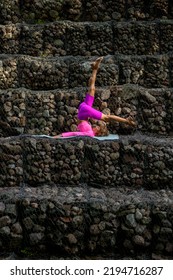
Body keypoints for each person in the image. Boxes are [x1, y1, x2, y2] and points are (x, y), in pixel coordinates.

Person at [54, 57, 136, 138]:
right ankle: (95, 68)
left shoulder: (90, 134)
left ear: (98, 133)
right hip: (84, 110)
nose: (97, 126)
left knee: (106, 118)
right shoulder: (90, 130)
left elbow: (74, 134)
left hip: (84, 111)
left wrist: (60, 135)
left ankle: (126, 121)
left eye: (99, 128)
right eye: (99, 127)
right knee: (92, 88)